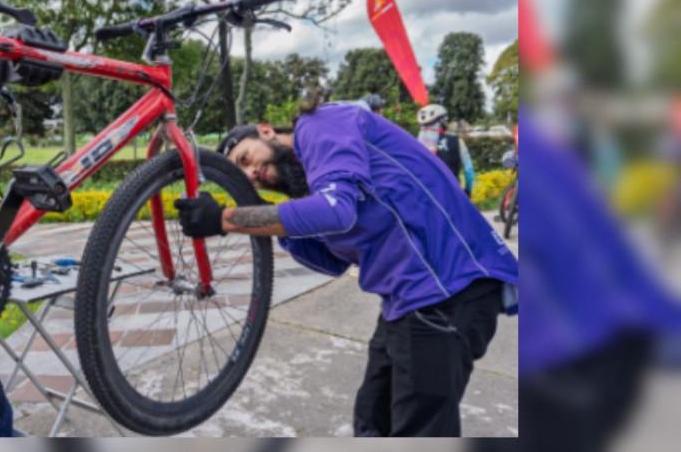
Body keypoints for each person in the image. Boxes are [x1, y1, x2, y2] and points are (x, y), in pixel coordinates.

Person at [175, 101, 518, 437]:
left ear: (265, 131)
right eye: (248, 177)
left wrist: (225, 219)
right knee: (371, 419)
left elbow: (335, 212)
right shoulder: (319, 182)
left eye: (246, 158)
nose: (252, 174)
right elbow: (333, 261)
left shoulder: (319, 124)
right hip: (409, 300)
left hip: (447, 290)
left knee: (420, 431)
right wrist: (264, 219)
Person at [416, 103, 475, 197]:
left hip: (426, 198)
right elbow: (469, 171)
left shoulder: (416, 145)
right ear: (443, 122)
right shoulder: (457, 141)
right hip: (453, 195)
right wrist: (468, 191)